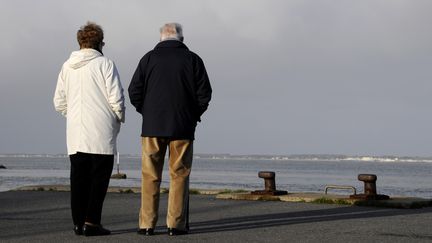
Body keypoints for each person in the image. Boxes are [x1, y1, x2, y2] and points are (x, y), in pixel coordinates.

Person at [128, 23, 212, 236]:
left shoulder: (148, 59)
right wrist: (193, 116)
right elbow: (205, 94)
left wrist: (146, 112)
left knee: (150, 176)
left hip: (152, 127)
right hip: (182, 127)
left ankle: (146, 224)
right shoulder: (193, 59)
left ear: (161, 38)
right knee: (179, 175)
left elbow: (134, 90)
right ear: (181, 38)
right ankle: (175, 224)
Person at [53, 22, 125, 236]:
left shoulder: (67, 66)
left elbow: (59, 101)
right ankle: (92, 223)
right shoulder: (105, 64)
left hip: (76, 134)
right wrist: (117, 118)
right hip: (101, 132)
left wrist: (73, 115)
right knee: (98, 180)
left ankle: (78, 223)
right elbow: (116, 98)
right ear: (100, 43)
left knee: (78, 180)